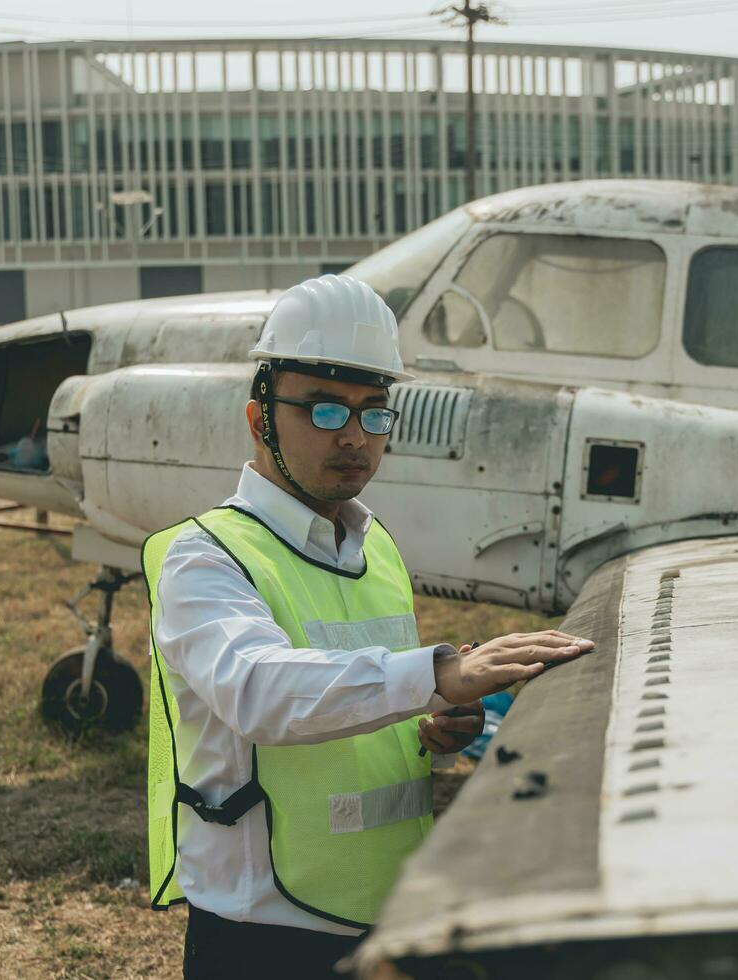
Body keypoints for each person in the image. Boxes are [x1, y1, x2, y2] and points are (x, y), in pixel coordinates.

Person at [141, 274, 593, 979]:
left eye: (373, 412)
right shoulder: (205, 559)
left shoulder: (373, 543)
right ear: (260, 420)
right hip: (268, 932)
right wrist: (436, 672)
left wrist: (435, 725)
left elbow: (360, 698)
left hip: (387, 905)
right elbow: (260, 690)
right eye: (324, 411)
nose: (354, 436)